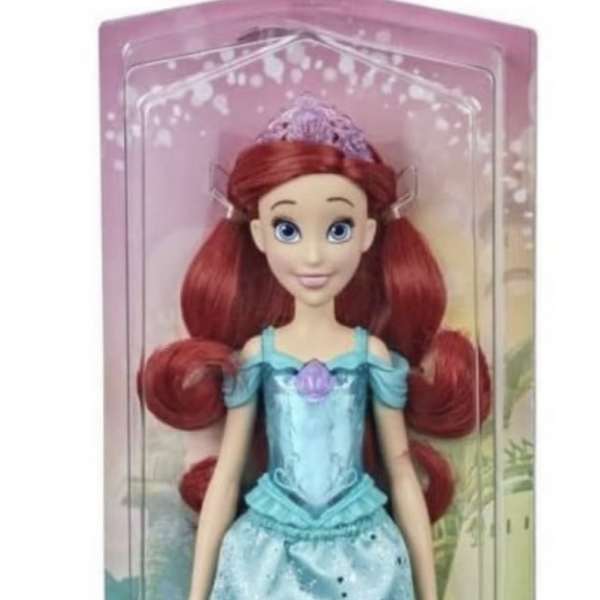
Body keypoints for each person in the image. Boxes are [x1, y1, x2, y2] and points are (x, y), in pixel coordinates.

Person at [142, 92, 490, 600]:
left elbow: (400, 472)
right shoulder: (258, 357)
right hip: (268, 553)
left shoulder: (370, 356)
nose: (312, 256)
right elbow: (227, 477)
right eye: (287, 229)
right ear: (259, 235)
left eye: (337, 229)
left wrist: (428, 593)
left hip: (363, 553)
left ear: (367, 234)